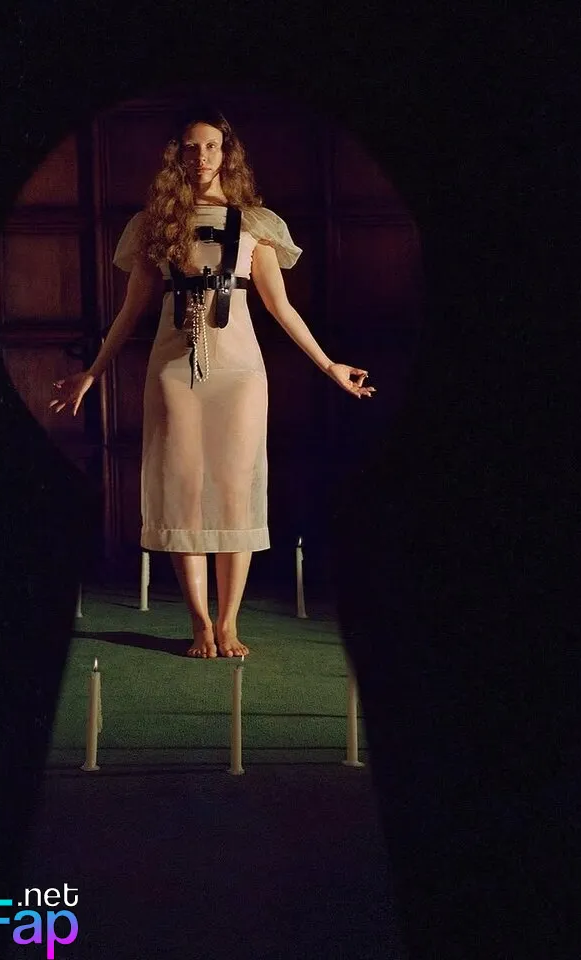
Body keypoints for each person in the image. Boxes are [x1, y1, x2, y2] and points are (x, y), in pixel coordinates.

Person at [50, 106, 375, 659]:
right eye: (190, 147)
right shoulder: (154, 224)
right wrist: (93, 371)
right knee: (183, 488)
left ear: (227, 155)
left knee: (234, 488)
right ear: (176, 155)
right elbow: (130, 311)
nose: (200, 157)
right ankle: (200, 624)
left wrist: (329, 366)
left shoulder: (256, 224)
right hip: (174, 367)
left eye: (210, 147)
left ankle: (228, 623)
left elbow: (282, 308)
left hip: (239, 371)